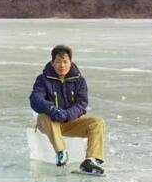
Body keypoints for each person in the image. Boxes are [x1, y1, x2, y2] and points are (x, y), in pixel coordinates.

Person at [29, 45, 105, 174]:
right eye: (58, 62)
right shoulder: (42, 80)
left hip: (70, 122)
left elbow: (82, 103)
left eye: (65, 62)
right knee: (45, 115)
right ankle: (61, 152)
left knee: (97, 122)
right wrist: (52, 109)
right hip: (49, 123)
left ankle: (90, 161)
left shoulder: (79, 81)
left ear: (70, 62)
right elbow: (35, 99)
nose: (62, 65)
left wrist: (67, 114)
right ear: (52, 63)